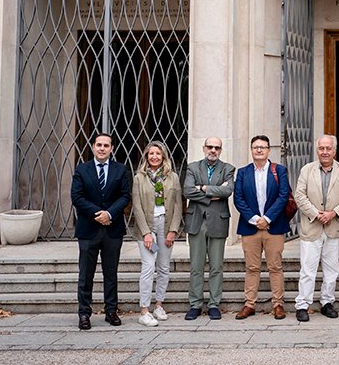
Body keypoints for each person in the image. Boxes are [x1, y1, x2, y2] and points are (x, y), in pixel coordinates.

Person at [70, 132, 132, 331]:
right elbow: (77, 197)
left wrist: (110, 214)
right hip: (88, 229)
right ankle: (84, 314)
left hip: (112, 230)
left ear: (112, 148)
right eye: (99, 145)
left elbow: (125, 196)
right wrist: (99, 213)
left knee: (111, 273)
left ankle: (111, 311)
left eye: (106, 145)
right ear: (93, 147)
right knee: (85, 274)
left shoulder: (121, 170)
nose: (102, 148)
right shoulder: (82, 170)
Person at [293, 134, 339, 322]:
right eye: (321, 148)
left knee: (331, 269)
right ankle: (303, 305)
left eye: (328, 148)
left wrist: (333, 213)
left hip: (334, 226)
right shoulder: (306, 170)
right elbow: (299, 195)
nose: (324, 152)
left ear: (334, 151)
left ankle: (327, 302)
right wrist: (316, 213)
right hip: (311, 226)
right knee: (308, 270)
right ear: (317, 150)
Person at [233, 135, 291, 321]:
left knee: (275, 266)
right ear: (251, 150)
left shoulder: (279, 171)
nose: (259, 150)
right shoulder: (243, 172)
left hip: (274, 227)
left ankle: (278, 304)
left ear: (268, 150)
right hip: (250, 227)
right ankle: (249, 304)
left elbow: (283, 196)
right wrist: (254, 218)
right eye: (255, 147)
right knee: (252, 267)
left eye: (262, 147)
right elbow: (238, 198)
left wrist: (267, 218)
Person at [129, 141, 182, 327]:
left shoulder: (173, 177)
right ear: (146, 156)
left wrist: (173, 230)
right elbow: (136, 207)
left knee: (164, 267)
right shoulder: (139, 178)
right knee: (148, 267)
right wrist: (146, 233)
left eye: (158, 154)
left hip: (165, 226)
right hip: (147, 226)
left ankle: (159, 305)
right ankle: (144, 310)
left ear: (163, 156)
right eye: (151, 154)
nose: (154, 157)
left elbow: (178, 205)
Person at [182, 136, 235, 321]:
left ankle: (214, 304)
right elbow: (187, 191)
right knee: (196, 266)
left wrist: (202, 187)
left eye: (217, 148)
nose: (213, 150)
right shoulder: (193, 167)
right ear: (204, 148)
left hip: (218, 222)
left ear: (221, 150)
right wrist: (212, 193)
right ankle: (195, 304)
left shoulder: (228, 168)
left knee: (216, 266)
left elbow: (228, 191)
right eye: (210, 147)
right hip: (196, 221)